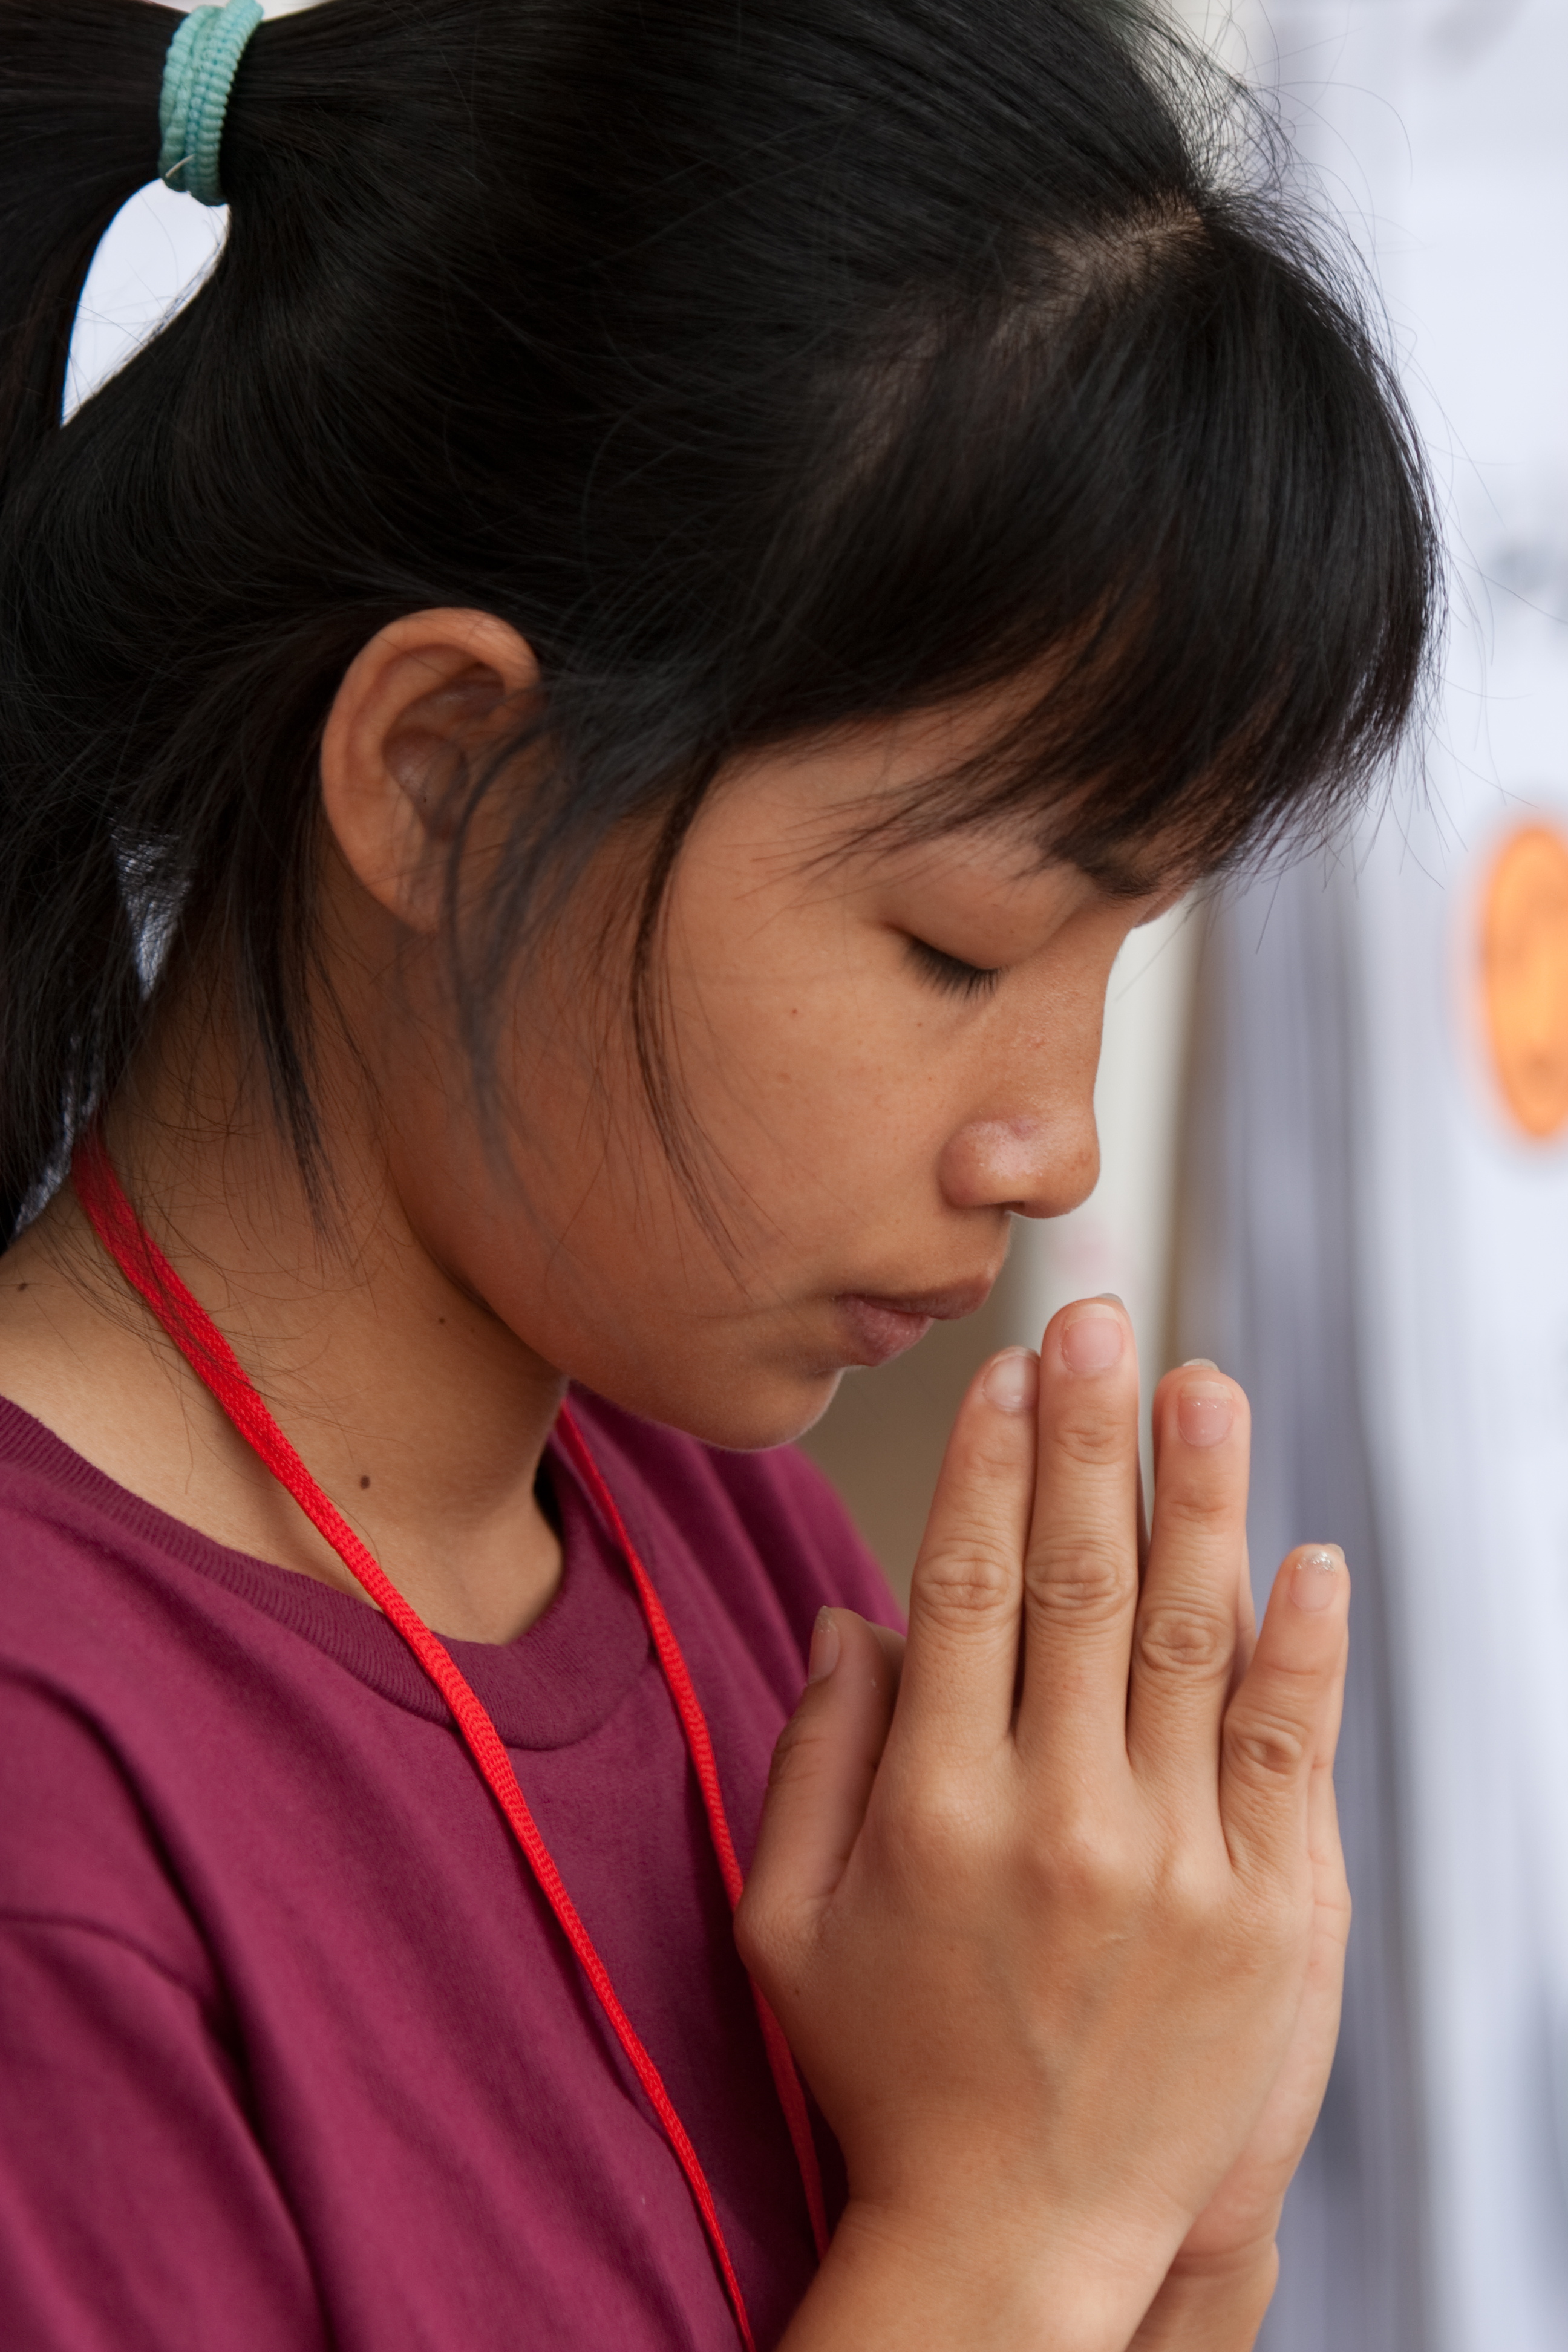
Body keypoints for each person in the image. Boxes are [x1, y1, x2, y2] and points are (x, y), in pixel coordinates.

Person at [0, 0, 1436, 2345]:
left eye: (1119, 950)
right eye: (955, 941)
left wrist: (1185, 2185)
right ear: (446, 771)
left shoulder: (714, 1552)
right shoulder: (55, 1816)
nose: (1050, 1133)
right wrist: (1017, 2219)